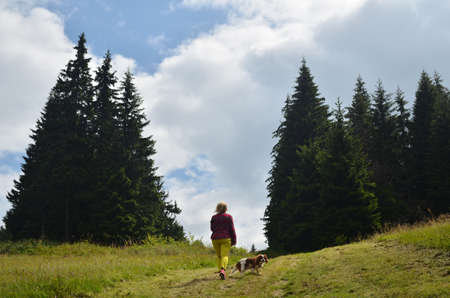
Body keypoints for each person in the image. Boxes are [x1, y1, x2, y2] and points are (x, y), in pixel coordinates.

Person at [210, 202, 236, 280]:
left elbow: (212, 228)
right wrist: (234, 240)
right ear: (226, 208)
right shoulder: (229, 217)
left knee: (219, 256)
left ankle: (220, 270)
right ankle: (222, 270)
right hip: (226, 238)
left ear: (217, 208)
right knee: (224, 255)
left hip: (215, 238)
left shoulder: (214, 217)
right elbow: (232, 229)